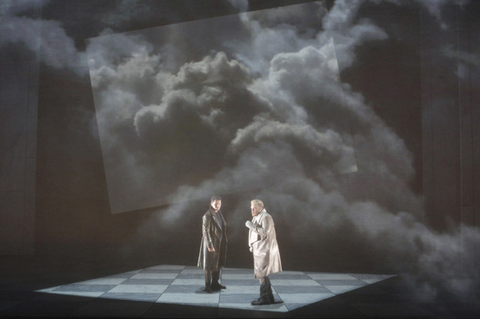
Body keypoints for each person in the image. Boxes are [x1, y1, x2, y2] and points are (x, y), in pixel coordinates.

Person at [245, 199, 282, 305]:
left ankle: (265, 298)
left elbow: (265, 232)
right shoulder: (257, 216)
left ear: (261, 208)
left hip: (264, 250)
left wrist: (251, 225)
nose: (252, 210)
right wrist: (251, 244)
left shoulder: (266, 217)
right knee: (262, 274)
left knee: (261, 274)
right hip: (259, 248)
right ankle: (269, 298)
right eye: (251, 208)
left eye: (254, 208)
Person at [197, 195, 228, 293]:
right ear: (211, 204)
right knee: (209, 266)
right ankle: (207, 286)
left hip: (219, 243)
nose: (218, 206)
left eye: (219, 204)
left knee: (217, 264)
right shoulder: (207, 215)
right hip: (211, 244)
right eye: (215, 204)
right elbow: (205, 231)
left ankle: (215, 283)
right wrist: (210, 245)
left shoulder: (218, 213)